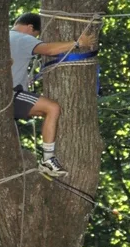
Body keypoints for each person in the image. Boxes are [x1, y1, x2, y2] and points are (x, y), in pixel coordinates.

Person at [9, 12, 97, 176]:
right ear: (30, 27)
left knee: (45, 111)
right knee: (52, 108)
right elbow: (49, 50)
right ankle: (48, 161)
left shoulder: (5, 38)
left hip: (7, 95)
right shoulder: (22, 38)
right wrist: (78, 43)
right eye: (36, 35)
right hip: (11, 96)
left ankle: (47, 158)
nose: (35, 38)